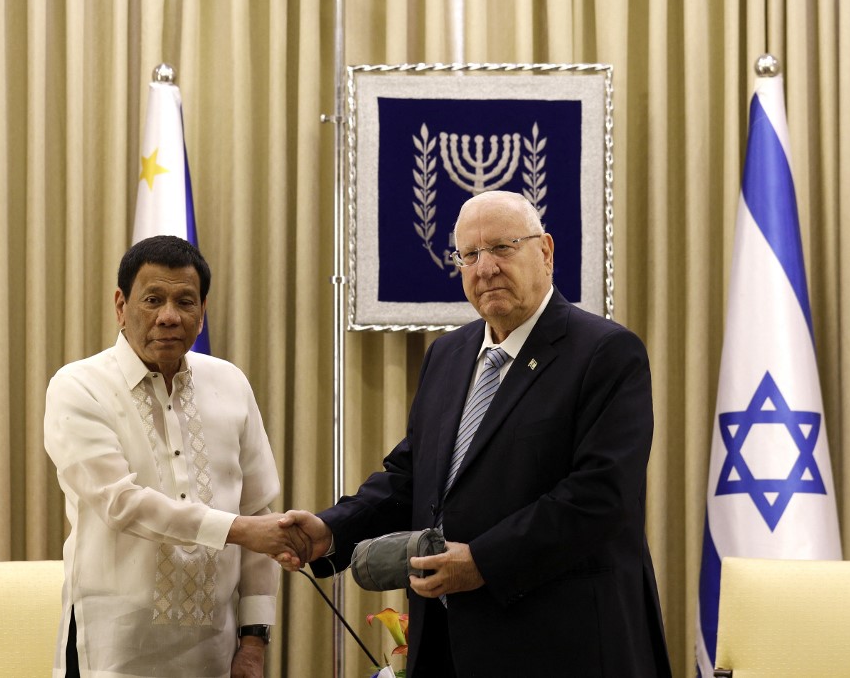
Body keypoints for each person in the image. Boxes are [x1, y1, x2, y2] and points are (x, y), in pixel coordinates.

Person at [280, 191, 672, 677]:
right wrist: (331, 530)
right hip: (447, 646)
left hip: (562, 645)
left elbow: (600, 496)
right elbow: (411, 478)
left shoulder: (606, 353)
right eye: (470, 255)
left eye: (503, 248)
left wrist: (484, 561)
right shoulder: (448, 355)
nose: (485, 268)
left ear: (545, 252)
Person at [44, 235, 299, 678]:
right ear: (121, 306)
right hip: (110, 652)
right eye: (152, 299)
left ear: (202, 312)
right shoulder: (78, 386)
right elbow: (122, 504)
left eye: (185, 301)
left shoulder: (230, 383)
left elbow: (259, 512)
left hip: (215, 656)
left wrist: (254, 641)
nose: (168, 317)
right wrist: (239, 530)